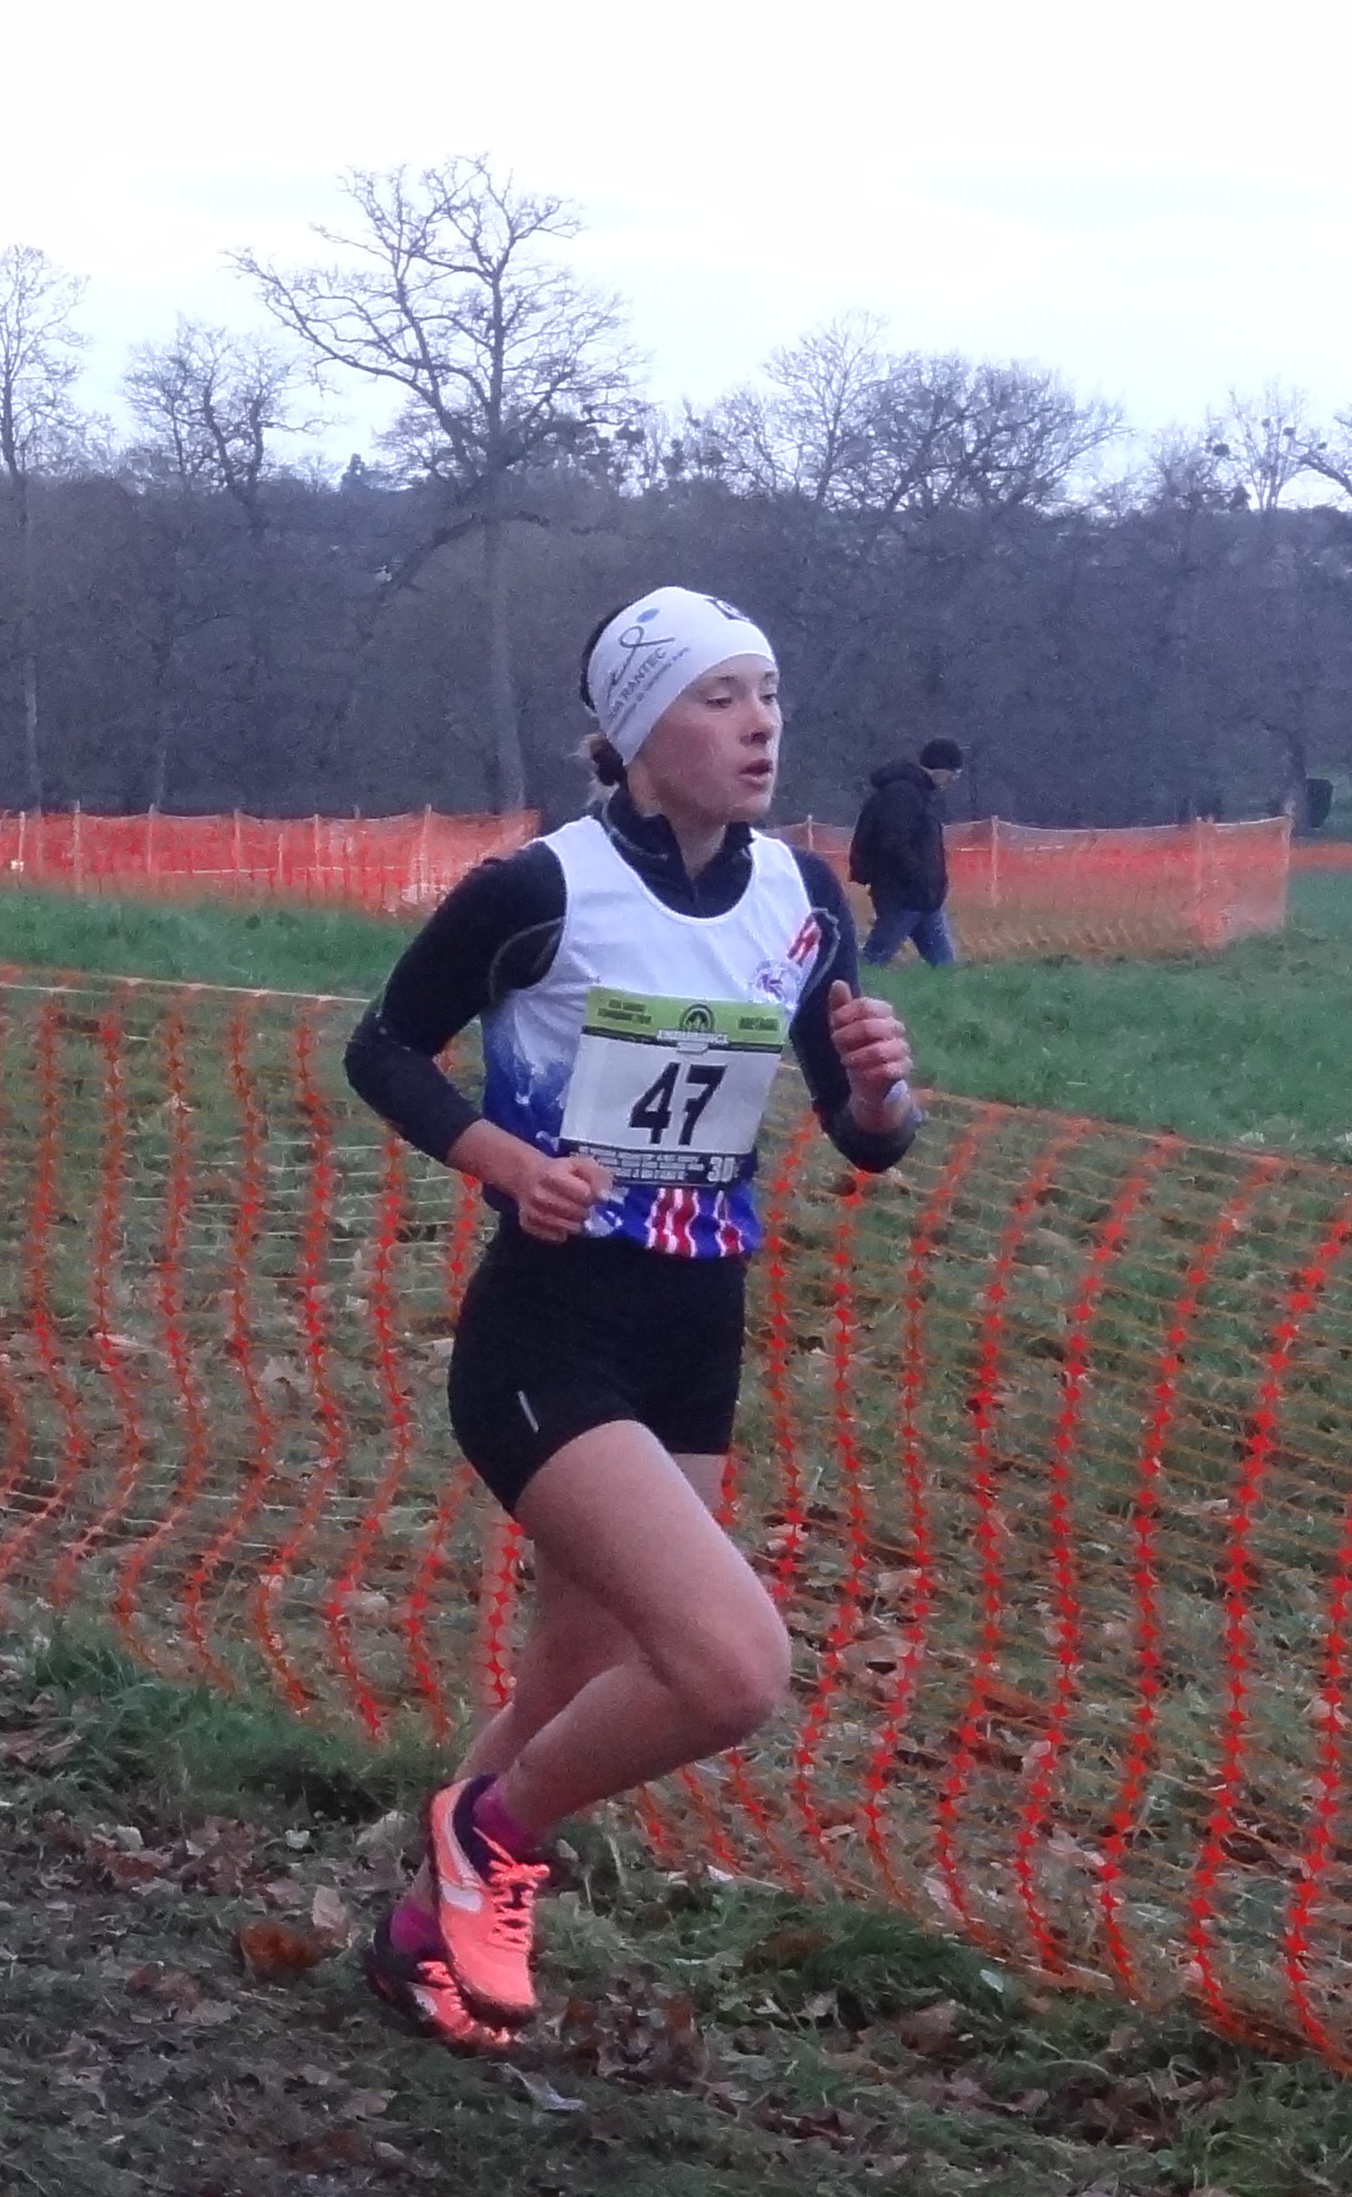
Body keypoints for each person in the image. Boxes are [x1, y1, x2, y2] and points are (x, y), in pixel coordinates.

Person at [339, 586, 921, 2052]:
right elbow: (385, 1047)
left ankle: (420, 1942)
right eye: (720, 698)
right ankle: (493, 1838)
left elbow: (862, 1135)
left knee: (580, 1673)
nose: (760, 724)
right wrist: (505, 1161)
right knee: (731, 1669)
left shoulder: (803, 898)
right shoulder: (540, 889)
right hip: (550, 1333)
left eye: (768, 693)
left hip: (694, 1335)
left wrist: (879, 1093)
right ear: (638, 730)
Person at [850, 737, 963, 968]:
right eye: (953, 773)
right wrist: (919, 877)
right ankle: (849, 985)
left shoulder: (918, 794)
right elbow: (893, 843)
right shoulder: (903, 794)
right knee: (874, 959)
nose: (953, 780)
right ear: (939, 768)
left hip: (924, 897)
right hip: (903, 895)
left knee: (945, 967)